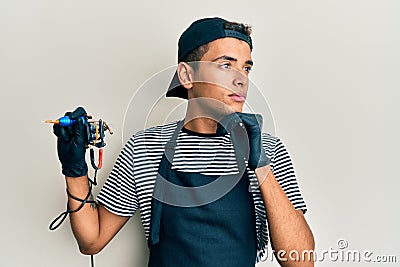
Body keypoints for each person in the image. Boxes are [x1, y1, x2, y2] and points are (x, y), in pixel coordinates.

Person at [54, 17, 314, 267]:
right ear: (187, 75)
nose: (241, 79)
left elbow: (301, 261)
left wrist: (261, 166)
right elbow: (92, 241)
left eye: (246, 67)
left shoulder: (268, 149)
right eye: (226, 65)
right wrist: (74, 170)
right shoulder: (145, 147)